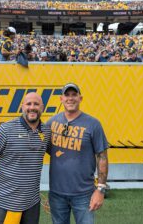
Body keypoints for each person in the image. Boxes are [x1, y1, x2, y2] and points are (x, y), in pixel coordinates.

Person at [0, 92, 51, 224]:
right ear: (22, 107)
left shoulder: (46, 131)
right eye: (28, 104)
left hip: (32, 203)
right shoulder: (6, 129)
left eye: (36, 104)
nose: (32, 107)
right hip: (4, 202)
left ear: (42, 107)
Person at [46, 83, 109, 224]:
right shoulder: (51, 123)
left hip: (84, 194)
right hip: (56, 193)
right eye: (66, 95)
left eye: (74, 95)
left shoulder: (93, 124)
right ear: (61, 99)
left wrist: (100, 189)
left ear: (80, 98)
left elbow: (102, 157)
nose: (70, 98)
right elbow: (47, 149)